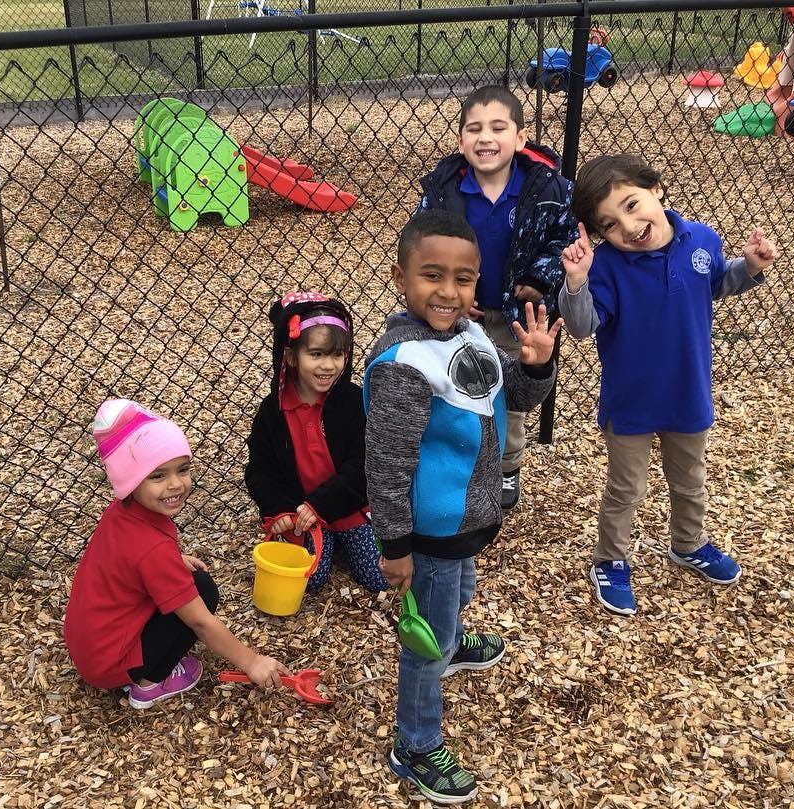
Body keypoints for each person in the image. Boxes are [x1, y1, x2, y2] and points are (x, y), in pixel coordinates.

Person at [365, 209, 561, 804]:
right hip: (431, 527)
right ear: (401, 278)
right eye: (432, 275)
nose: (448, 292)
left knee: (460, 589)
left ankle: (449, 638)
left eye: (464, 278)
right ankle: (415, 743)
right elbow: (387, 464)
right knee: (424, 643)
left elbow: (513, 393)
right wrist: (395, 546)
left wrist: (536, 363)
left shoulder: (469, 336)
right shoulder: (405, 364)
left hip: (470, 515)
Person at [557, 154, 779, 617]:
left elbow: (714, 282)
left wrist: (749, 267)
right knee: (626, 488)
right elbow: (581, 326)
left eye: (632, 205)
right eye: (610, 224)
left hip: (688, 390)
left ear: (656, 189)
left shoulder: (702, 239)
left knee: (690, 479)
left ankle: (688, 542)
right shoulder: (607, 267)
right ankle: (610, 559)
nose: (629, 226)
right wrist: (576, 284)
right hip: (631, 400)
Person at [64, 399, 290, 709]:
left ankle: (138, 666)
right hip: (112, 664)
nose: (175, 484)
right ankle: (148, 684)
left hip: (91, 647)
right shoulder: (152, 550)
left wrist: (173, 561)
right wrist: (252, 662)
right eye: (157, 476)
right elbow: (200, 622)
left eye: (183, 470)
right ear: (130, 480)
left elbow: (123, 562)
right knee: (203, 591)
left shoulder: (120, 513)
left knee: (191, 580)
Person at [416, 84, 578, 510]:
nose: (485, 138)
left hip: (515, 316)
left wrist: (539, 278)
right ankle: (459, 460)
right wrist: (447, 291)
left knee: (508, 394)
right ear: (460, 140)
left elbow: (564, 238)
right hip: (455, 313)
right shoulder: (443, 190)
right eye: (474, 129)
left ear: (520, 138)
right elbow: (422, 243)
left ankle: (507, 466)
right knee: (450, 384)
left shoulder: (548, 189)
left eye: (497, 128)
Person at [245, 291, 388, 593]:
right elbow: (260, 469)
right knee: (309, 580)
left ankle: (345, 541)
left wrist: (324, 503)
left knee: (378, 579)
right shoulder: (273, 412)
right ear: (290, 356)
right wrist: (279, 508)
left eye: (337, 355)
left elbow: (366, 463)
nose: (328, 366)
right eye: (316, 354)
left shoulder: (353, 402)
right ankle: (328, 545)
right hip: (303, 515)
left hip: (349, 508)